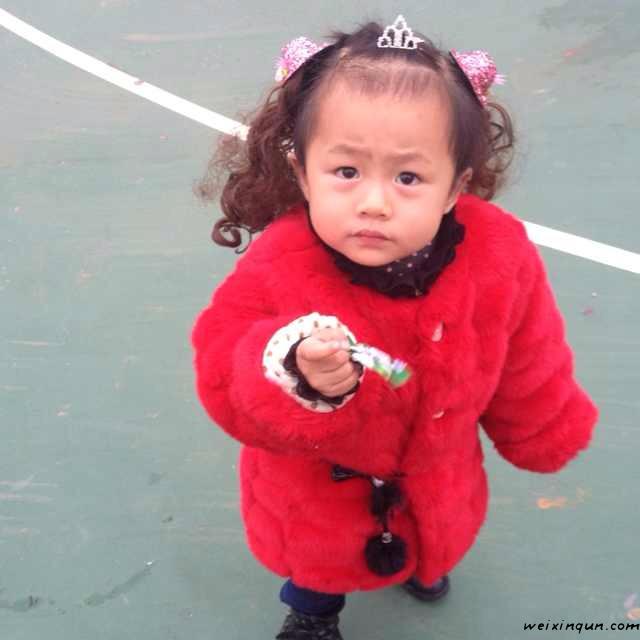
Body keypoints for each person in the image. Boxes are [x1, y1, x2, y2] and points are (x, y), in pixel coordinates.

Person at [190, 14, 599, 640]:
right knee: (321, 564)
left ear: (455, 186)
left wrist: (541, 424)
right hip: (320, 492)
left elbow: (528, 349)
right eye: (346, 172)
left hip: (438, 476)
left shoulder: (499, 252)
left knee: (432, 541)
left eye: (408, 178)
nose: (374, 203)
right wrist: (294, 372)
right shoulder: (281, 262)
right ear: (302, 173)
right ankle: (312, 612)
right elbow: (222, 364)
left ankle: (423, 562)